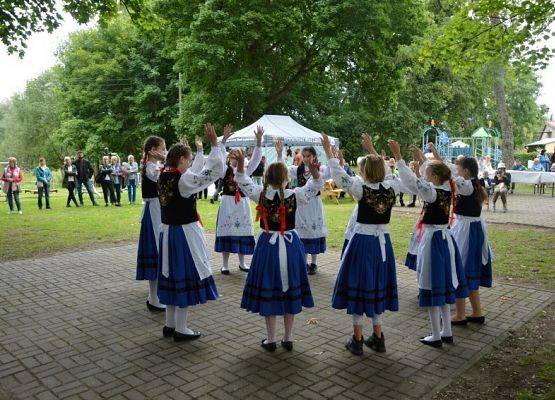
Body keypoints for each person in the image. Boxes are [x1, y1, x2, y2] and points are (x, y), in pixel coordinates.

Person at [234, 142, 322, 352]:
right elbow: (315, 186)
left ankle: (271, 339)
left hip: (268, 246)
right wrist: (316, 174)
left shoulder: (260, 193)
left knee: (269, 287)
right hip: (290, 245)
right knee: (290, 287)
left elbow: (242, 181)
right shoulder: (295, 195)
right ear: (286, 178)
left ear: (266, 178)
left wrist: (239, 168)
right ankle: (288, 337)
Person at [324, 133, 402, 356]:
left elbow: (339, 176)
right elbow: (385, 172)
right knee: (376, 285)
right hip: (382, 244)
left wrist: (329, 151)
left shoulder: (361, 189)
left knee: (359, 286)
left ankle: (357, 339)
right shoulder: (391, 187)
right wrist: (374, 151)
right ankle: (378, 336)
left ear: (365, 171)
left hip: (363, 242)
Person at [392, 140, 468, 348]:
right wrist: (420, 158)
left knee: (431, 283)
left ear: (434, 178)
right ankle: (446, 331)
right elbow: (418, 180)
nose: (424, 175)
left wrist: (399, 157)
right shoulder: (445, 188)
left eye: (427, 173)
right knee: (441, 286)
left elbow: (414, 182)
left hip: (434, 240)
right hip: (444, 239)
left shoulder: (433, 192)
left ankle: (436, 335)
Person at [157, 124, 225, 342]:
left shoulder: (164, 175)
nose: (189, 164)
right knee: (183, 276)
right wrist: (215, 146)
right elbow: (211, 173)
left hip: (168, 232)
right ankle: (181, 328)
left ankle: (169, 324)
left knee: (170, 276)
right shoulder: (182, 179)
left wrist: (197, 153)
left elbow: (195, 172)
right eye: (187, 160)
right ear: (181, 161)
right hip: (183, 235)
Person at [447, 156, 492, 326]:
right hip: (472, 229)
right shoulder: (476, 183)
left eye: (459, 168)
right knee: (470, 270)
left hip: (466, 230)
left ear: (466, 171)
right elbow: (452, 171)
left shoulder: (467, 185)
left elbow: (451, 172)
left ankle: (460, 314)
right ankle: (477, 312)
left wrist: (436, 156)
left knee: (460, 268)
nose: (457, 171)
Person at [214, 126, 263, 275]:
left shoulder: (245, 170)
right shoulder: (224, 169)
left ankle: (242, 263)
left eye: (238, 155)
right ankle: (225, 265)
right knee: (227, 231)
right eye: (233, 155)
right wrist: (223, 141)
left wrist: (259, 142)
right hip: (228, 203)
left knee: (242, 232)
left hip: (242, 203)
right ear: (230, 158)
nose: (236, 158)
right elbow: (218, 159)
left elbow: (256, 159)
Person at [277, 142, 330, 275]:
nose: (306, 158)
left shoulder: (321, 168)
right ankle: (304, 262)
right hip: (301, 205)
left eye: (308, 156)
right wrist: (279, 153)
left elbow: (329, 173)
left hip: (314, 204)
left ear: (314, 156)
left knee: (313, 229)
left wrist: (331, 155)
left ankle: (314, 263)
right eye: (304, 156)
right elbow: (283, 169)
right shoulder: (298, 169)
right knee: (303, 231)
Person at [137, 135, 166, 312]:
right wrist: (166, 159)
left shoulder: (155, 166)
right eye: (162, 148)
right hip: (154, 212)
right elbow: (161, 178)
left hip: (159, 211)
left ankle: (156, 295)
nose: (164, 151)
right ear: (153, 151)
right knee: (155, 251)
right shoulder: (150, 167)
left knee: (160, 251)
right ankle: (153, 296)